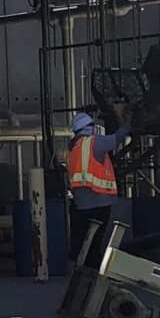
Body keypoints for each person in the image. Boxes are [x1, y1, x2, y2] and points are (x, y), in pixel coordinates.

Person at [65, 109, 128, 265]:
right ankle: (93, 271)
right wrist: (128, 123)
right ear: (89, 127)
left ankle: (83, 269)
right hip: (99, 201)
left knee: (85, 241)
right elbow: (116, 139)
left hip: (81, 203)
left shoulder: (73, 147)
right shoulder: (94, 142)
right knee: (95, 242)